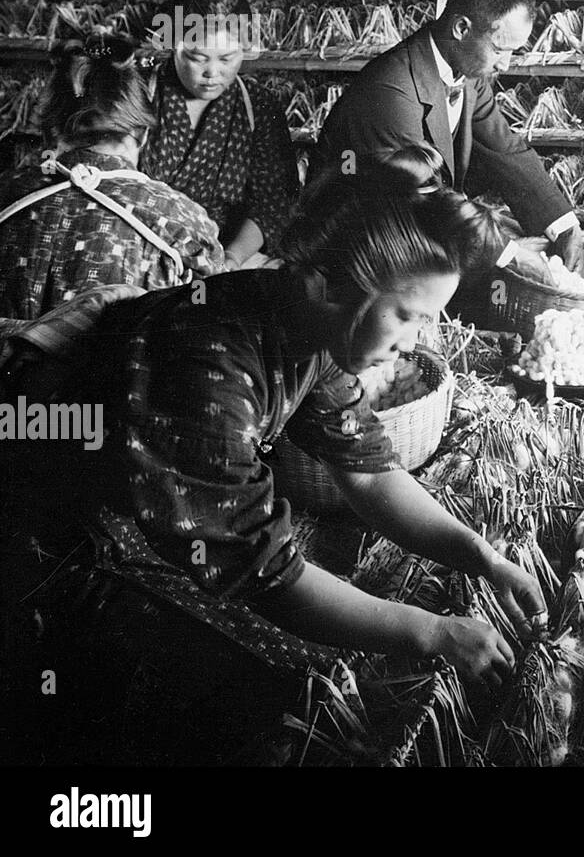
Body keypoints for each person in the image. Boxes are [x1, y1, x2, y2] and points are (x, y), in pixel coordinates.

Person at [3, 166, 545, 693]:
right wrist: (432, 632)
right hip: (50, 523)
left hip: (134, 509)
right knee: (279, 691)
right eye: (408, 314)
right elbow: (268, 575)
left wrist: (481, 557)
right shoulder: (208, 368)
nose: (411, 341)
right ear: (339, 285)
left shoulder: (309, 327)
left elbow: (371, 475)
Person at [310, 0, 583, 268]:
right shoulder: (391, 89)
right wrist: (514, 255)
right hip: (356, 253)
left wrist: (563, 223)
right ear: (461, 28)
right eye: (499, 50)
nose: (505, 65)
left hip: (411, 231)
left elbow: (504, 148)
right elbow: (426, 195)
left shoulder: (467, 69)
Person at [0, 31, 223, 321]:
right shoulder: (184, 221)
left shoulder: (6, 193)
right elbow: (207, 320)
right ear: (142, 134)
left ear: (50, 134)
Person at [139, 0, 300, 268]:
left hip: (227, 253)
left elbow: (272, 201)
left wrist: (231, 259)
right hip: (143, 247)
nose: (212, 73)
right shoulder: (138, 96)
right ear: (173, 45)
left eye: (227, 58)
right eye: (197, 57)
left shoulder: (257, 106)